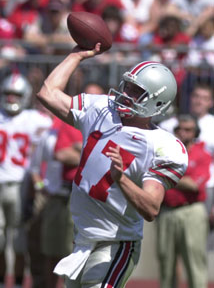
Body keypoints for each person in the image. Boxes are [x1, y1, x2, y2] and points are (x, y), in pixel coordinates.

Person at [36, 43, 188, 288]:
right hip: (82, 238)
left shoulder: (164, 146)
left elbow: (151, 208)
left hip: (116, 244)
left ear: (157, 103)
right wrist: (77, 55)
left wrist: (122, 179)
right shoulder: (102, 109)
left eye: (136, 91)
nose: (126, 93)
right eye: (126, 85)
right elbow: (48, 93)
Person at [0, 71, 52, 288]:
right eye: (8, 94)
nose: (11, 99)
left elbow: (49, 148)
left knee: (21, 242)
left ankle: (19, 283)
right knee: (0, 242)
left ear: (25, 95)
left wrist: (40, 183)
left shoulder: (36, 120)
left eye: (16, 94)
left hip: (23, 186)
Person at [156, 114, 211, 288]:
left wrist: (167, 176)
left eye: (188, 129)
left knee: (194, 262)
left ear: (196, 132)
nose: (182, 133)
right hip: (166, 211)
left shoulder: (202, 153)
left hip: (191, 211)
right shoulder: (165, 151)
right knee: (166, 263)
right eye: (179, 129)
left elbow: (194, 185)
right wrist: (180, 179)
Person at [27, 116, 82, 288]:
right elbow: (36, 166)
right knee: (49, 250)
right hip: (54, 195)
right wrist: (41, 186)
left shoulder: (82, 129)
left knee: (73, 251)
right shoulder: (48, 134)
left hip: (78, 196)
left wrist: (80, 152)